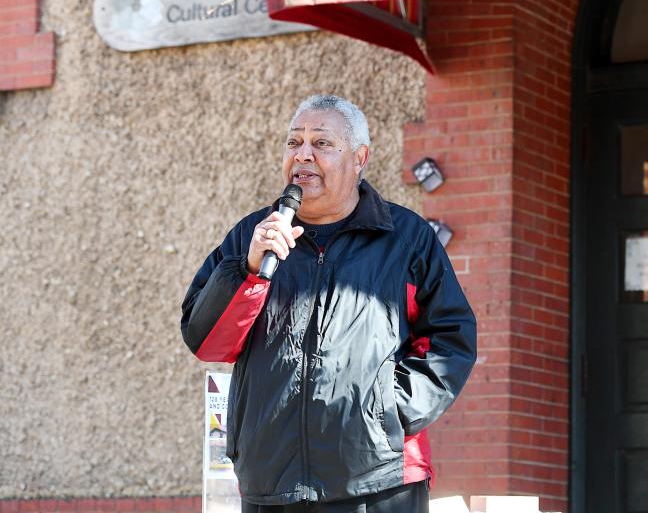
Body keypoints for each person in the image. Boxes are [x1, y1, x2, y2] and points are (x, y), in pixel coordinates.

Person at [181, 95, 477, 513]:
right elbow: (206, 341)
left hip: (378, 479)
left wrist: (386, 413)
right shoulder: (251, 236)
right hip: (271, 482)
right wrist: (248, 269)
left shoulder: (406, 238)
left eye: (321, 144)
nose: (303, 154)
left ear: (359, 158)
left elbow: (451, 338)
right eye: (293, 143)